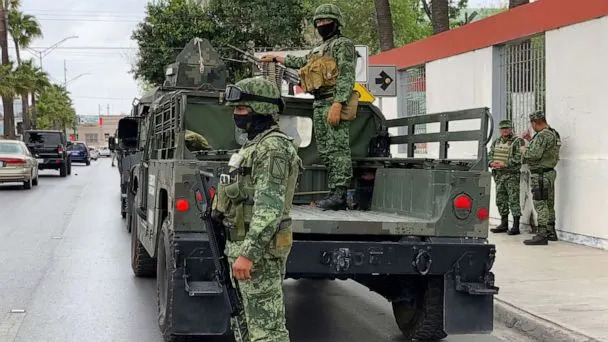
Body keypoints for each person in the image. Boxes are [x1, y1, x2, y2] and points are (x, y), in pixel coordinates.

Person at [215, 77, 301, 342]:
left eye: (241, 109)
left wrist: (249, 255)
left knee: (267, 333)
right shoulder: (254, 145)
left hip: (258, 255)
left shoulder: (273, 147)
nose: (236, 115)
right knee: (245, 327)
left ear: (259, 110)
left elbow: (269, 208)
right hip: (241, 247)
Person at [261, 3, 357, 210]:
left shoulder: (343, 45)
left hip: (333, 101)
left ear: (336, 22)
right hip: (320, 102)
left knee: (338, 149)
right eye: (319, 21)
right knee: (325, 150)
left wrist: (339, 103)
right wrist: (278, 57)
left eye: (326, 21)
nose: (322, 24)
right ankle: (334, 193)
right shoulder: (318, 49)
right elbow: (301, 61)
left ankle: (340, 195)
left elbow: (347, 76)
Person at [520, 110, 561, 245]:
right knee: (549, 203)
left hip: (540, 174)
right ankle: (551, 231)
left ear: (534, 123)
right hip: (549, 172)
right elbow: (544, 150)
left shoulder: (542, 135)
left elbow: (534, 155)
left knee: (540, 203)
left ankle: (542, 234)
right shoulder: (553, 133)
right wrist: (530, 140)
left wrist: (524, 149)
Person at [488, 120, 524, 235]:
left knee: (514, 200)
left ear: (511, 129)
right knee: (501, 200)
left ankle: (516, 226)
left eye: (507, 128)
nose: (505, 130)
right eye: (502, 128)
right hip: (499, 176)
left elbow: (519, 158)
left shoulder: (518, 141)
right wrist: (491, 163)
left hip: (511, 176)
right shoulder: (496, 142)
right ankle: (504, 224)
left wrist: (505, 164)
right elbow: (490, 155)